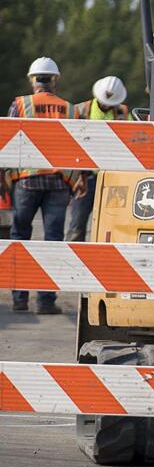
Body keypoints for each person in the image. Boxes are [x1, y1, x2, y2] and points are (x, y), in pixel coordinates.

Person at [5, 58, 82, 314]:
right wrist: (77, 178)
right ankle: (46, 301)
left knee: (20, 238)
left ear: (32, 79)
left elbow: (8, 141)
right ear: (55, 80)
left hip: (26, 180)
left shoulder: (21, 104)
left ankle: (19, 298)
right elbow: (76, 148)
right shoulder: (69, 108)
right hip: (58, 184)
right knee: (52, 241)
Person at [66, 76, 130, 242]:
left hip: (115, 179)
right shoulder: (80, 110)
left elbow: (131, 142)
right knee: (77, 225)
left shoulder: (123, 112)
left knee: (115, 225)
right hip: (86, 177)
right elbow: (72, 146)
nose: (107, 105)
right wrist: (75, 176)